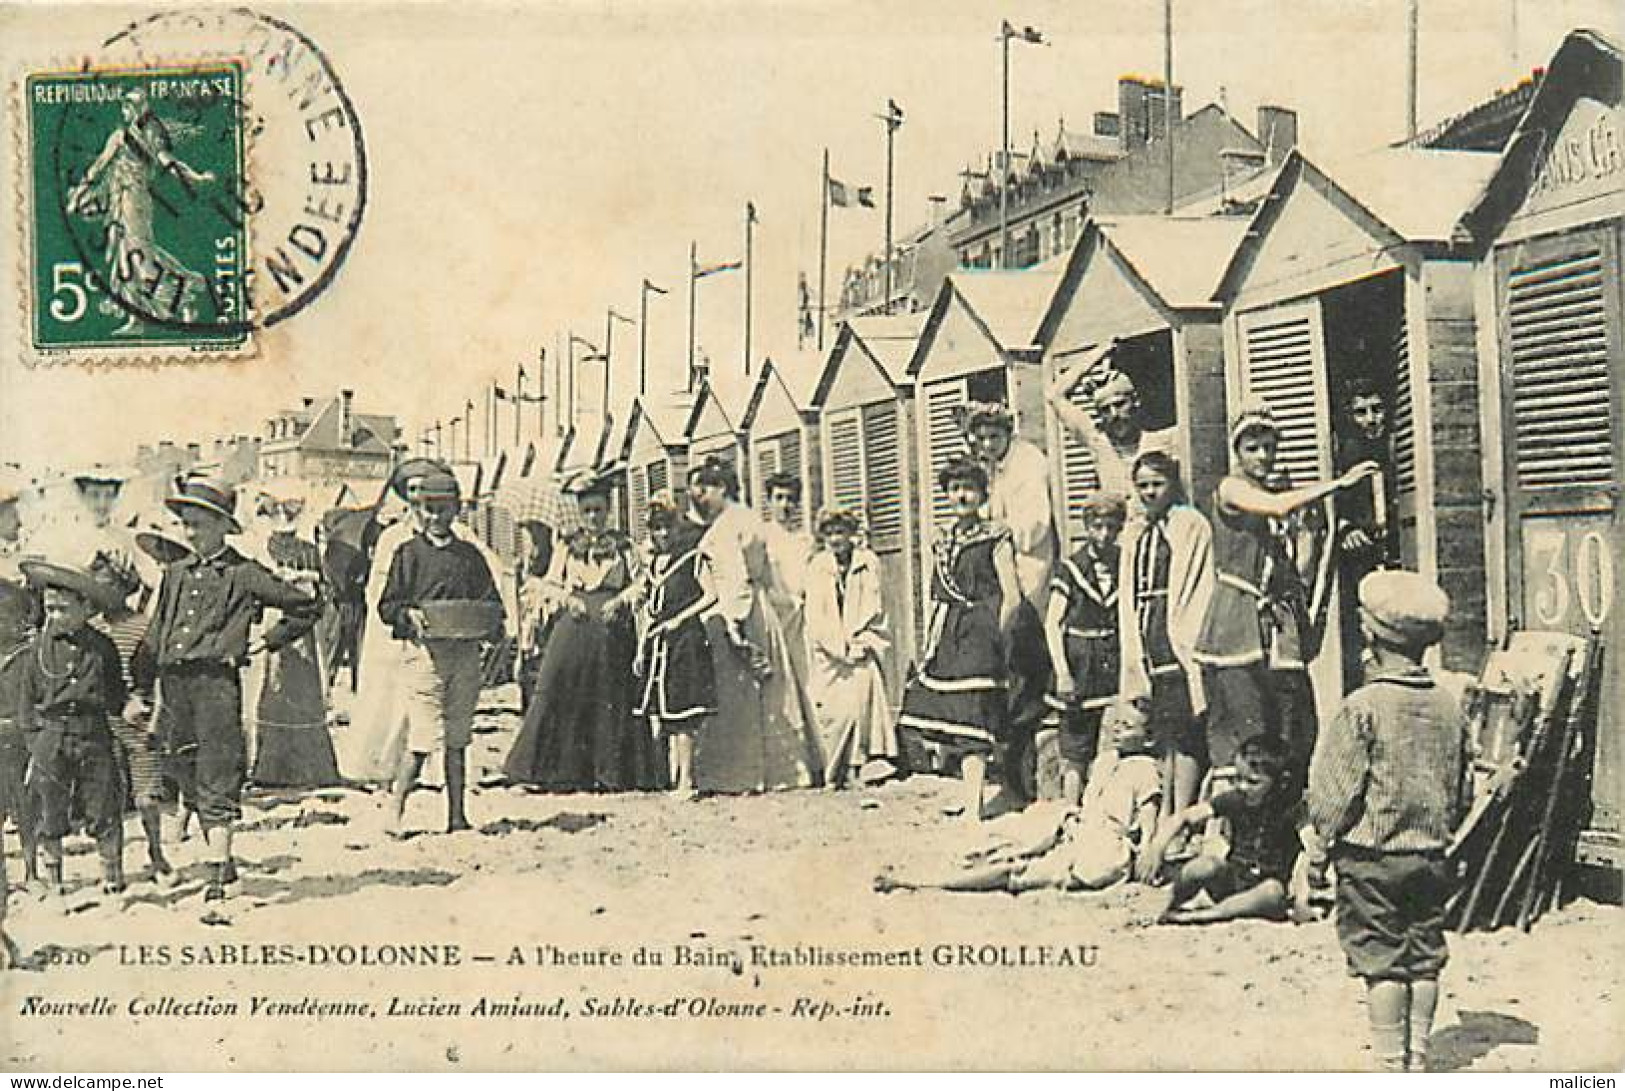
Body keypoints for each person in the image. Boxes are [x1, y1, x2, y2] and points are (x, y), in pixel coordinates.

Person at [1307, 570, 1467, 1073]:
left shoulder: (1362, 707)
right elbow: (1463, 788)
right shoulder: (1449, 705)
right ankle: (1419, 1055)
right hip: (1430, 854)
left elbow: (1334, 794)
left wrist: (1318, 846)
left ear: (1370, 637)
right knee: (1424, 956)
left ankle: (1388, 1064)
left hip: (1371, 859)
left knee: (1381, 964)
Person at [136, 477, 322, 902]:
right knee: (181, 768)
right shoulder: (176, 574)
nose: (189, 532)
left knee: (217, 772)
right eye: (185, 524)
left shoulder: (244, 574)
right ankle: (226, 862)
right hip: (174, 687)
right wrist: (140, 689)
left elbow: (306, 604)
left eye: (198, 524)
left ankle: (218, 876)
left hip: (216, 686)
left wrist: (269, 639)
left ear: (222, 526)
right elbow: (156, 632)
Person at [1193, 399, 1380, 788]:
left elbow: (1301, 568)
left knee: (1294, 720)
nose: (1264, 456)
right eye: (1252, 448)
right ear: (1237, 451)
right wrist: (1337, 484)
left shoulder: (1274, 494)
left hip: (1277, 621)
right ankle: (1232, 826)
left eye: (1270, 447)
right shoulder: (1231, 488)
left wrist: (1308, 531)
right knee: (1245, 725)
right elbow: (1276, 507)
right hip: (1237, 619)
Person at [876, 702, 1161, 895]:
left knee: (1014, 872)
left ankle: (920, 883)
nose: (1117, 731)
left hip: (1102, 850)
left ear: (1147, 738)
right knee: (1008, 846)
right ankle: (930, 873)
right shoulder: (1105, 761)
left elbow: (1147, 822)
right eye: (1117, 725)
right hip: (1077, 832)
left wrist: (1148, 854)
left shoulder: (1144, 770)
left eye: (1128, 727)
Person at [503, 472, 649, 793]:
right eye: (588, 512)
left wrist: (622, 599)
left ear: (608, 510)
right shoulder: (568, 546)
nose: (593, 518)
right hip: (575, 624)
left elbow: (641, 583)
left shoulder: (624, 546)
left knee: (608, 695)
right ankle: (547, 771)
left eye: (598, 510)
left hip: (611, 628)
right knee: (557, 685)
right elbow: (551, 584)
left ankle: (608, 773)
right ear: (580, 514)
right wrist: (567, 599)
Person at [897, 456, 1021, 822]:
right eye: (955, 489)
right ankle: (972, 797)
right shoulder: (942, 539)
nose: (962, 496)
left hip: (983, 629)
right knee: (945, 709)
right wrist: (931, 642)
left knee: (973, 714)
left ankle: (974, 804)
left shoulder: (996, 535)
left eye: (970, 488)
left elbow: (1011, 593)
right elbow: (939, 598)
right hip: (952, 629)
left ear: (983, 494)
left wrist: (1000, 636)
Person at [378, 472, 503, 835]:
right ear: (418, 510)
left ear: (456, 509)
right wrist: (408, 614)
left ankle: (457, 815)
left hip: (464, 654)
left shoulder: (470, 556)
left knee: (458, 739)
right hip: (424, 655)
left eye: (443, 509)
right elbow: (387, 604)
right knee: (422, 738)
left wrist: (491, 626)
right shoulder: (408, 553)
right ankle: (394, 811)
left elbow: (490, 601)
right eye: (428, 509)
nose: (436, 517)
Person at [687, 456, 820, 794]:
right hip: (758, 608)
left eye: (706, 489)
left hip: (743, 609)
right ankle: (778, 771)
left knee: (745, 691)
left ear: (721, 489)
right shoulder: (744, 519)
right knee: (764, 691)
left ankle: (743, 773)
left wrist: (733, 623)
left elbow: (737, 578)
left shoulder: (731, 525)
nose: (700, 496)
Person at [16, 561, 128, 902]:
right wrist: (37, 743)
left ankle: (111, 875)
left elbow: (115, 693)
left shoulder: (102, 646)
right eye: (50, 608)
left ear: (86, 608)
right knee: (50, 806)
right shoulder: (37, 649)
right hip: (51, 735)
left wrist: (125, 709)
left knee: (103, 803)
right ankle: (54, 879)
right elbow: (26, 702)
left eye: (64, 609)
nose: (55, 616)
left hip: (94, 734)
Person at [962, 400, 1055, 797]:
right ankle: (1010, 772)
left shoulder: (1028, 464)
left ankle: (1024, 775)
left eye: (994, 436)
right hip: (1001, 575)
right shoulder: (992, 468)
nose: (987, 444)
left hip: (1029, 571)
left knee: (1025, 668)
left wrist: (998, 529)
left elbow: (1034, 526)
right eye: (980, 438)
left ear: (1008, 433)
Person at [338, 458, 450, 785]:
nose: (418, 497)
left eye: (423, 489)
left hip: (434, 625)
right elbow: (377, 588)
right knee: (389, 698)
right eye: (411, 489)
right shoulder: (394, 536)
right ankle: (385, 766)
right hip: (394, 628)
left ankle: (430, 770)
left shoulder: (452, 534)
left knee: (430, 698)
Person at [1118, 452, 1214, 826]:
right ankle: (1166, 809)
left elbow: (1194, 582)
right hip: (1148, 633)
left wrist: (1184, 632)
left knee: (1184, 728)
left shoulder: (1189, 524)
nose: (1149, 492)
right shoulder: (1136, 530)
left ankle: (1181, 811)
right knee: (1163, 732)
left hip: (1177, 631)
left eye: (1157, 484)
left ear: (1173, 484)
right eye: (1142, 485)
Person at [1139, 733, 1307, 925]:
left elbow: (1310, 852)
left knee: (1274, 891)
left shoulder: (1290, 809)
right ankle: (1173, 903)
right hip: (1233, 878)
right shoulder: (1235, 800)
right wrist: (1156, 848)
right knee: (1204, 865)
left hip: (1264, 890)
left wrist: (1302, 899)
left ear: (1281, 782)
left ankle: (1204, 915)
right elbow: (1184, 817)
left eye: (1252, 782)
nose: (1242, 787)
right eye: (1237, 778)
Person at [87, 551, 177, 887]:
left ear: (125, 587)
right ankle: (114, 867)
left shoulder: (143, 626)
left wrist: (152, 714)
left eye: (108, 585)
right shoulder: (91, 628)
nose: (102, 593)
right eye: (96, 586)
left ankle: (155, 852)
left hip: (139, 719)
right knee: (109, 798)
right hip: (103, 719)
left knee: (146, 797)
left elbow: (156, 675)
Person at [247, 492, 339, 788]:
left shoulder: (310, 550)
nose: (283, 522)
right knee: (270, 688)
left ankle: (307, 766)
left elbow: (324, 591)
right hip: (271, 622)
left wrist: (306, 581)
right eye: (277, 515)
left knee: (302, 690)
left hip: (302, 624)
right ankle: (270, 766)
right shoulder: (259, 550)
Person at [803, 506, 896, 788]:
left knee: (861, 697)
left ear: (851, 534)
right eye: (829, 533)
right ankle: (833, 769)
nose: (835, 539)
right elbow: (815, 615)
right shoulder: (818, 565)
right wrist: (838, 649)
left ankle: (859, 763)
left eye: (840, 532)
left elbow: (877, 607)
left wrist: (863, 642)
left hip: (860, 647)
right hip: (828, 652)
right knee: (832, 710)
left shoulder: (867, 562)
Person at [1041, 492, 1125, 806]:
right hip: (1079, 662)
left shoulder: (1124, 561)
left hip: (1113, 660)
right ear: (1087, 527)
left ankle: (1103, 809)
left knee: (1112, 742)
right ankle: (1070, 809)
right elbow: (1052, 624)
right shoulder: (1071, 568)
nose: (1104, 535)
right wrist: (1063, 672)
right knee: (1076, 743)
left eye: (1111, 527)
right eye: (1097, 527)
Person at [632, 491, 715, 797]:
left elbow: (711, 595)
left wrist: (682, 619)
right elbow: (650, 612)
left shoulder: (693, 558)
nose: (664, 533)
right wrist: (642, 648)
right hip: (659, 645)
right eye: (657, 527)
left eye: (668, 526)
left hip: (686, 642)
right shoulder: (653, 565)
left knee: (684, 715)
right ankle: (671, 778)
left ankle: (687, 781)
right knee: (663, 716)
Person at [1047, 342, 1178, 510]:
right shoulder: (1099, 444)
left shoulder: (1163, 441)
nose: (1114, 415)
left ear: (1135, 402)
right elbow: (1054, 395)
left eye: (1120, 404)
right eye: (1105, 410)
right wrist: (1097, 354)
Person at [1333, 375, 1401, 692]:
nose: (1371, 420)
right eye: (1361, 412)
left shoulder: (1398, 450)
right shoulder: (1343, 455)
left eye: (1377, 409)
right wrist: (1345, 528)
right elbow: (1329, 503)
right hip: (1358, 558)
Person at [0, 582, 41, 904]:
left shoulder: (30, 656)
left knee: (26, 807)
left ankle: (32, 870)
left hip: (21, 737)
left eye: (7, 617)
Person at [759, 471, 812, 690]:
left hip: (801, 621)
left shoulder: (805, 541)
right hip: (773, 615)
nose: (785, 505)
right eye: (779, 498)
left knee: (804, 678)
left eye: (791, 499)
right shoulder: (762, 537)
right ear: (769, 502)